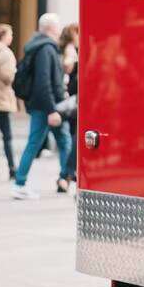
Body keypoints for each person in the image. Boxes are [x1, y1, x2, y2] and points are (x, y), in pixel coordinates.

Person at [11, 13, 72, 200]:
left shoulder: (37, 46)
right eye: (58, 26)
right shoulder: (46, 48)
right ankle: (20, 183)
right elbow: (43, 82)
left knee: (63, 140)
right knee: (37, 142)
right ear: (52, 28)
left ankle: (66, 178)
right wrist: (52, 109)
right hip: (48, 106)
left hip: (48, 105)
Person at [0, 24, 17, 179]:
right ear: (4, 36)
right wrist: (14, 72)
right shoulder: (6, 54)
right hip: (1, 100)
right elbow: (7, 77)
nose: (12, 37)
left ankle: (12, 168)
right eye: (10, 34)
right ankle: (12, 168)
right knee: (7, 137)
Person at [58, 23, 79, 187]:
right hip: (73, 98)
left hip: (71, 98)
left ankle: (67, 175)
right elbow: (67, 67)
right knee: (73, 137)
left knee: (71, 137)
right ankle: (66, 175)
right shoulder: (71, 49)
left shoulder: (64, 47)